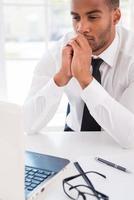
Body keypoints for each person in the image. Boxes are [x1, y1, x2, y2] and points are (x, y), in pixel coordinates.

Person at [23, 0, 134, 148]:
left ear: (115, 17)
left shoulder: (130, 57)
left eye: (93, 17)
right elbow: (27, 124)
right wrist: (60, 78)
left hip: (119, 145)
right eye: (76, 17)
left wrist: (86, 81)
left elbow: (131, 136)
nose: (81, 28)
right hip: (72, 141)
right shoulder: (60, 51)